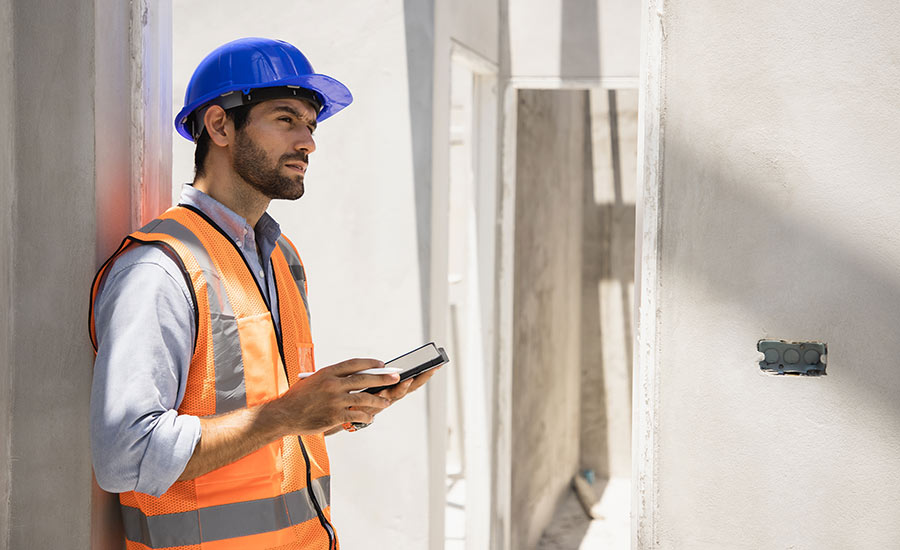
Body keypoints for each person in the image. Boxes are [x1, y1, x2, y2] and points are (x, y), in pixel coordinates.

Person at [89, 37, 438, 549]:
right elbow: (126, 456)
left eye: (311, 125)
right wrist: (290, 413)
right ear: (220, 125)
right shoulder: (159, 269)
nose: (308, 142)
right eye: (286, 119)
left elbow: (266, 422)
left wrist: (336, 407)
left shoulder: (282, 257)